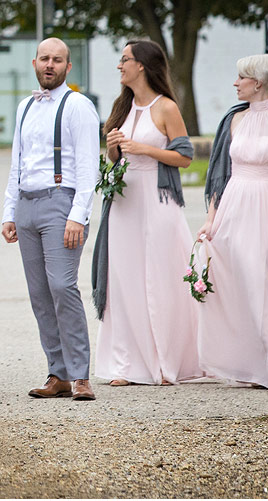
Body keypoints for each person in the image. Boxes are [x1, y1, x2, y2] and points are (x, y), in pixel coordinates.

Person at [197, 54, 268, 390]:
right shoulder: (233, 120)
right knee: (242, 280)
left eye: (240, 78)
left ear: (257, 83)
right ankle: (253, 358)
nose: (235, 83)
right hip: (234, 204)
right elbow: (221, 173)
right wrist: (210, 219)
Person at [91, 40, 201, 387]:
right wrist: (112, 150)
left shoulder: (166, 107)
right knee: (123, 280)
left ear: (142, 66)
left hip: (157, 200)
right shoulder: (120, 108)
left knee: (158, 278)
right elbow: (116, 160)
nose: (120, 65)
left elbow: (185, 157)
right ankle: (125, 364)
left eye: (125, 59)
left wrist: (147, 149)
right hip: (124, 204)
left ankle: (165, 361)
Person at [2, 37, 100, 401]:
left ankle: (80, 376)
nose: (50, 65)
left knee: (62, 286)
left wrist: (78, 214)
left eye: (57, 60)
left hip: (62, 202)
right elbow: (18, 162)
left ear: (68, 67)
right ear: (34, 62)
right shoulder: (25, 106)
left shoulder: (78, 106)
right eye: (44, 58)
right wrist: (9, 211)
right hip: (27, 204)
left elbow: (89, 165)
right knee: (40, 294)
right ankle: (57, 373)